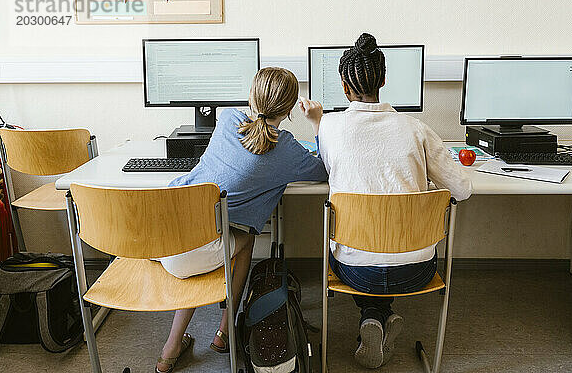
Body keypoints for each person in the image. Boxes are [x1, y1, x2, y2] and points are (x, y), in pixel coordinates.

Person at [300, 33, 472, 369]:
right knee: (391, 246)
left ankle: (373, 314)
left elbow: (328, 157)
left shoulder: (330, 128)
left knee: (364, 250)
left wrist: (318, 122)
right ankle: (379, 314)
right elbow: (462, 190)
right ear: (384, 80)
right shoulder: (417, 129)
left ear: (344, 88)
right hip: (417, 271)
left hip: (354, 273)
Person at [155, 67, 328, 373]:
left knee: (200, 236)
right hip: (195, 252)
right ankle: (225, 330)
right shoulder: (286, 148)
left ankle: (170, 348)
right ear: (289, 110)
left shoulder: (226, 119)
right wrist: (317, 122)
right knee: (245, 242)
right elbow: (323, 171)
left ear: (251, 96)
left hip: (163, 238)